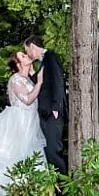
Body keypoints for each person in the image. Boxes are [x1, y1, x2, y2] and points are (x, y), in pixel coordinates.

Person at [0, 52, 48, 196]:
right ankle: (7, 194)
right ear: (17, 64)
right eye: (22, 56)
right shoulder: (15, 79)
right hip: (19, 122)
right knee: (15, 155)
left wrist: (35, 75)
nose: (26, 56)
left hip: (30, 121)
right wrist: (40, 83)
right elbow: (27, 100)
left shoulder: (27, 78)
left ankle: (31, 195)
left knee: (31, 154)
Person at [21, 36, 66, 173]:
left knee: (54, 151)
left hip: (53, 113)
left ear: (33, 46)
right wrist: (32, 75)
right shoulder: (42, 63)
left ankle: (63, 190)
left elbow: (58, 81)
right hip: (44, 113)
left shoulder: (51, 57)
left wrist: (56, 107)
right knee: (47, 152)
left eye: (27, 50)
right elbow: (43, 85)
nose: (28, 54)